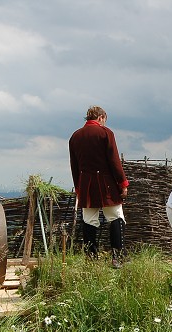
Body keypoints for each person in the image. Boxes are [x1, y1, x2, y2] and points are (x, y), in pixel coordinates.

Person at [69, 105, 129, 268]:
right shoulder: (106, 133)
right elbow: (114, 161)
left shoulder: (75, 136)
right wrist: (123, 183)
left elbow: (74, 166)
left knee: (89, 219)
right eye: (104, 120)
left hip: (85, 184)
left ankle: (91, 260)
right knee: (116, 216)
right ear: (101, 117)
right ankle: (117, 258)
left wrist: (78, 187)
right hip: (106, 183)